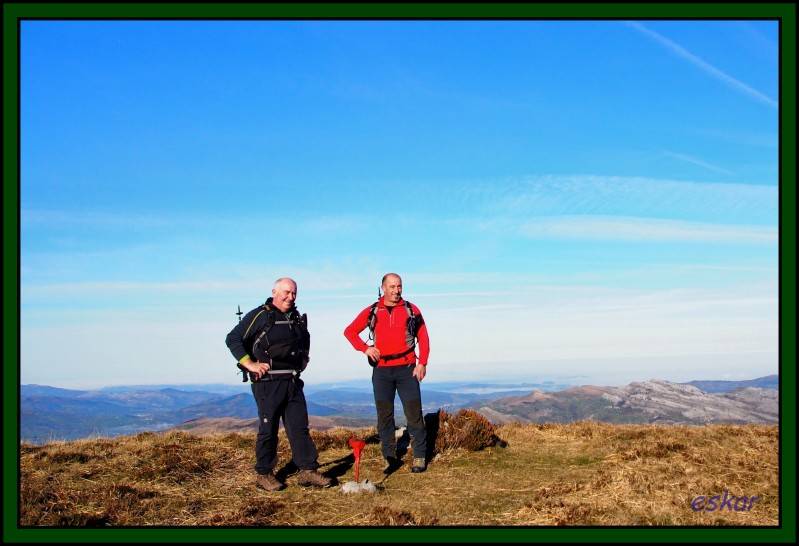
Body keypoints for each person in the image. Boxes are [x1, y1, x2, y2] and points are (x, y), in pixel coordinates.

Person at [225, 277, 332, 491]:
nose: (290, 297)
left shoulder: (295, 318)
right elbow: (233, 338)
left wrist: (303, 359)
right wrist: (249, 364)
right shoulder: (261, 315)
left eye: (294, 293)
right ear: (274, 291)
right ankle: (264, 474)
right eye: (286, 292)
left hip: (292, 380)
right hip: (267, 382)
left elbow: (304, 341)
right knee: (268, 428)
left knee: (299, 427)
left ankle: (307, 471)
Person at [343, 273, 430, 473]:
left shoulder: (411, 310)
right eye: (392, 286)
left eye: (399, 286)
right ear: (383, 287)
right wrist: (365, 348)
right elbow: (349, 331)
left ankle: (419, 456)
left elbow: (424, 337)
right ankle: (389, 457)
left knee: (414, 413)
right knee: (384, 415)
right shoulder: (373, 310)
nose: (396, 290)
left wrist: (422, 362)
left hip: (407, 368)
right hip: (381, 370)